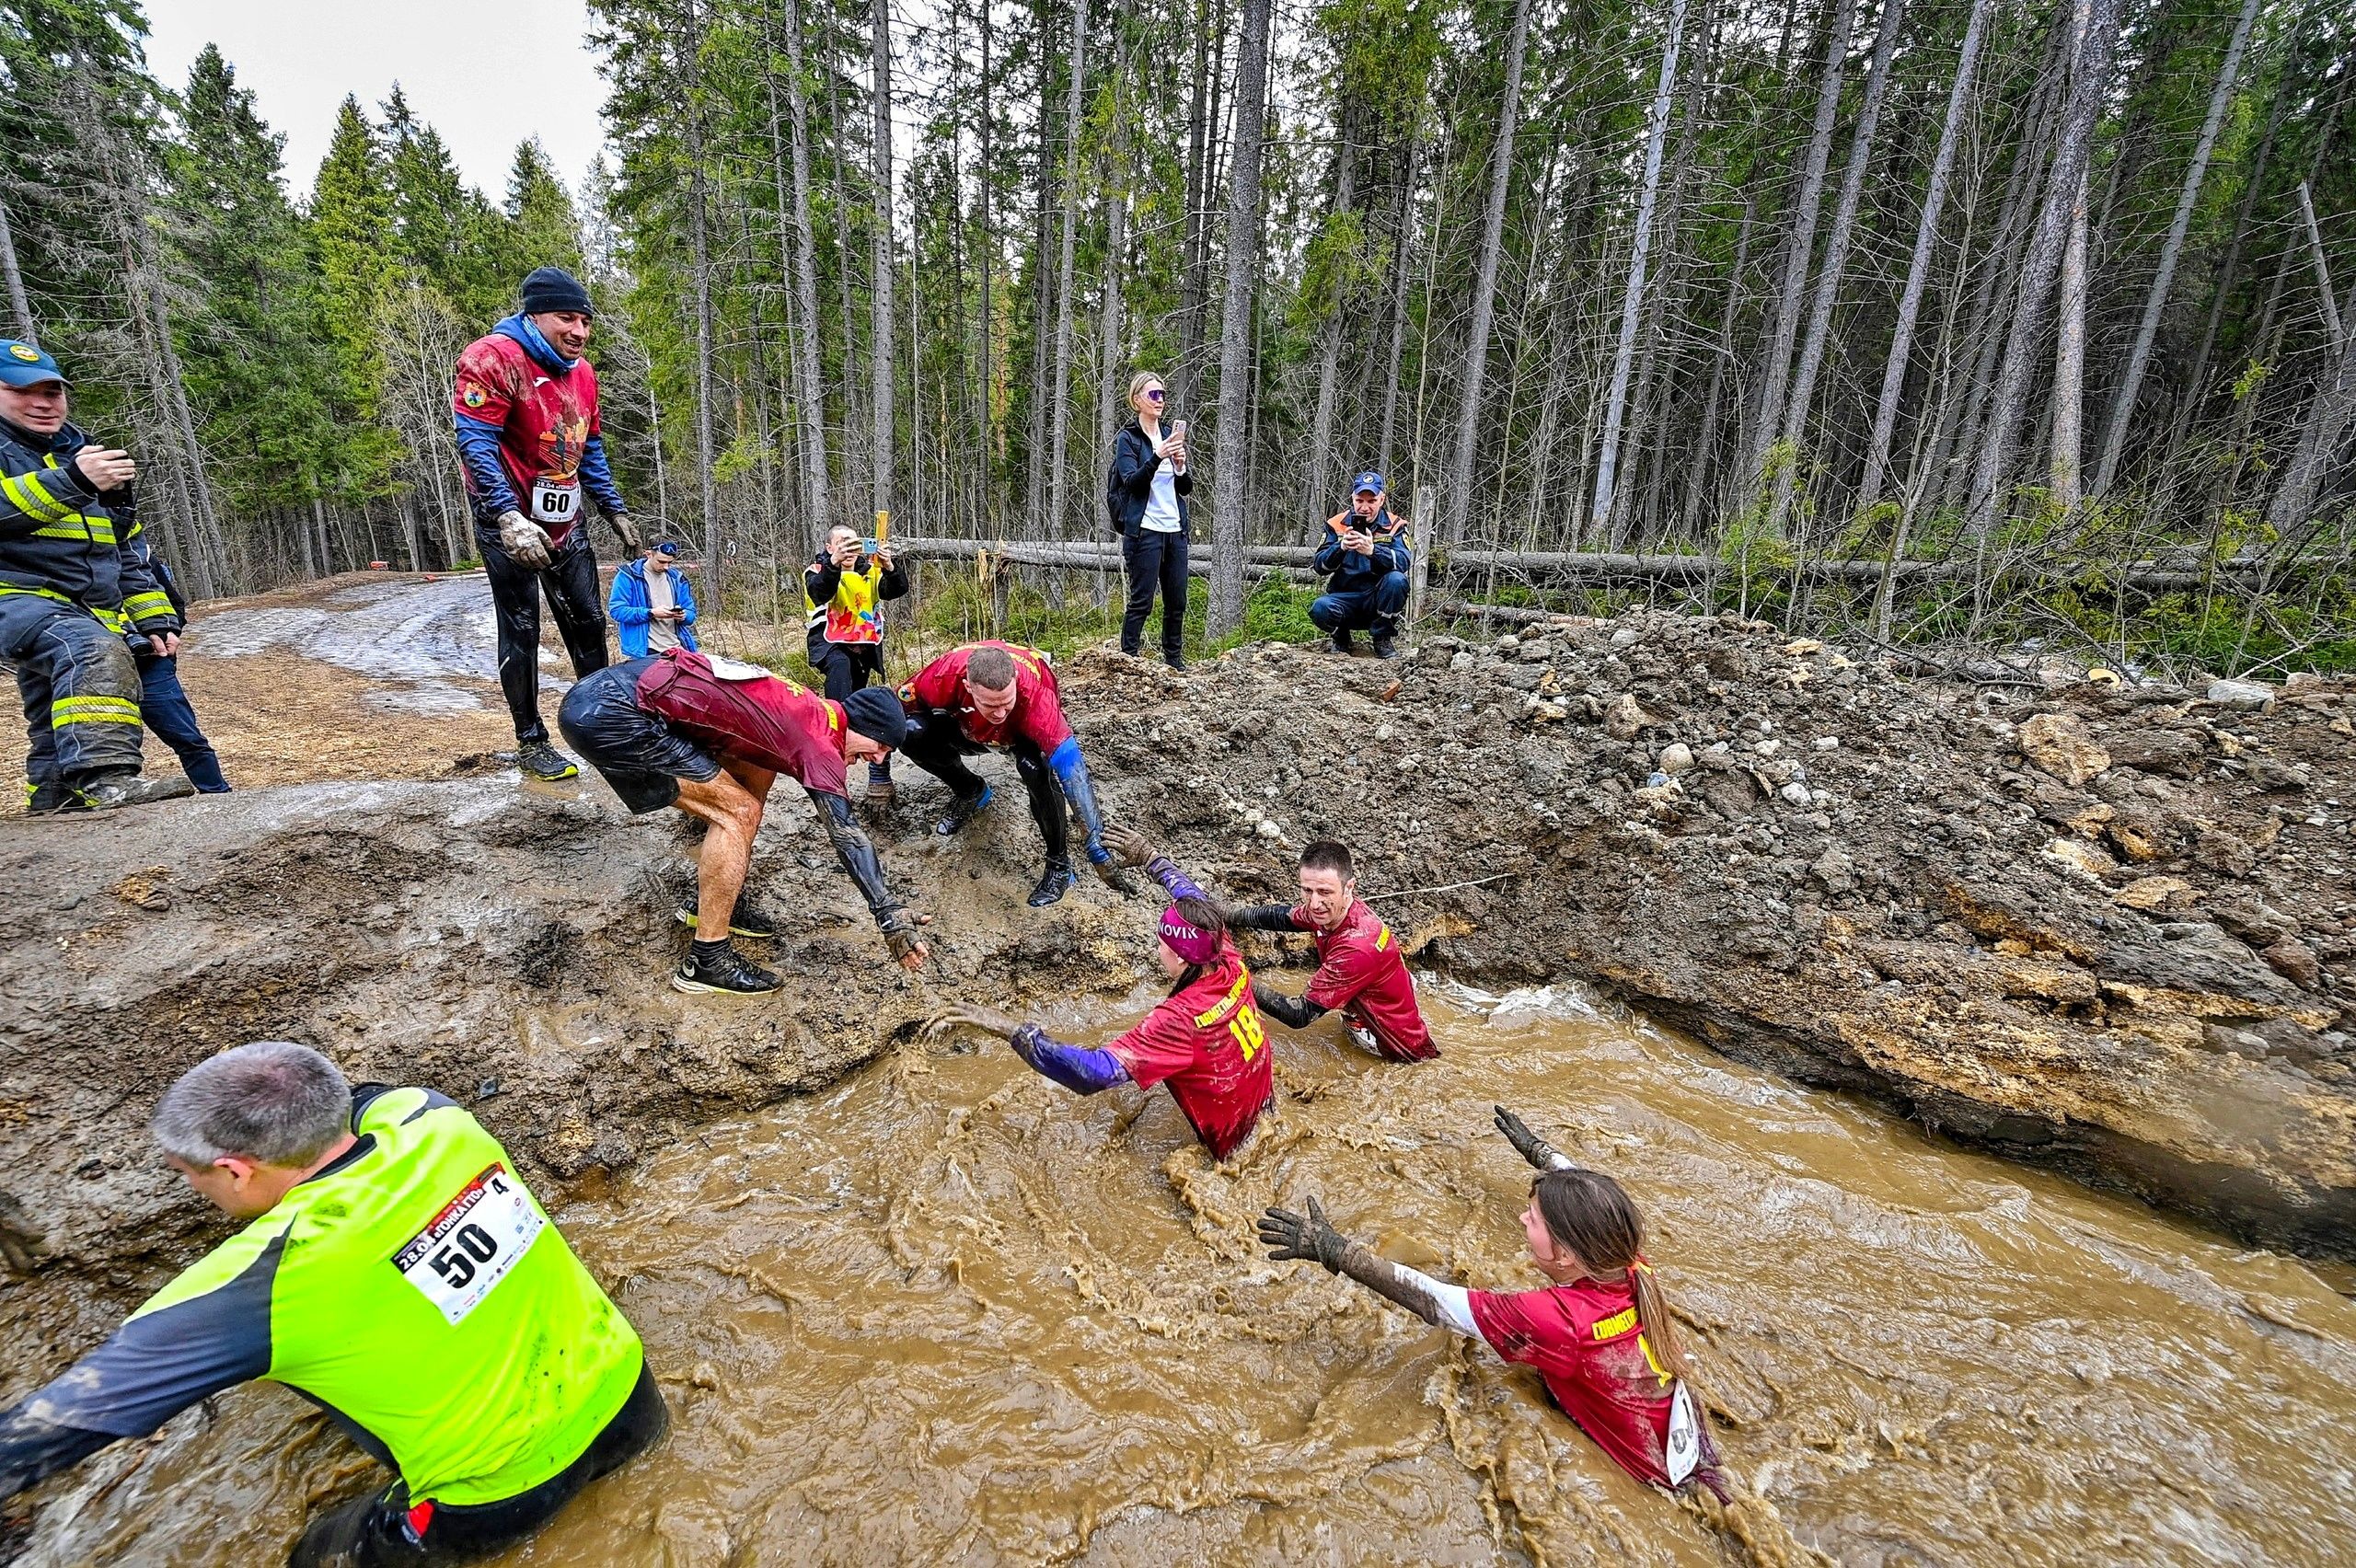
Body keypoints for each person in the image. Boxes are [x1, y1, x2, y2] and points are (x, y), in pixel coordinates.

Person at [0, 1042, 664, 1566]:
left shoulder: (254, 1283)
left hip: (495, 1496)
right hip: (631, 1397)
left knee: (319, 1555)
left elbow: (56, 1425)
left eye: (190, 1174)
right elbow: (367, 1100)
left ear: (235, 1169)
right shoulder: (435, 1119)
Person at [1259, 1106, 1723, 1497]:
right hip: (1688, 1443)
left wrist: (1339, 1252)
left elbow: (1435, 1302)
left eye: (1535, 1219)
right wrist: (1542, 1155)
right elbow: (1598, 1209)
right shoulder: (1627, 1260)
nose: (1523, 1220)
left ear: (1563, 1253)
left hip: (1655, 1476)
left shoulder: (1556, 1321)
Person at [559, 645, 930, 995]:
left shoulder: (810, 709)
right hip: (613, 712)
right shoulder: (818, 742)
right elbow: (846, 834)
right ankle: (708, 961)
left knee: (750, 784)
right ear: (861, 726)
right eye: (880, 747)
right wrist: (888, 912)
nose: (879, 760)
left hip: (607, 694)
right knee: (738, 812)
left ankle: (708, 904)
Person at [925, 847, 1273, 1159]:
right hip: (1262, 1107)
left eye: (1161, 944)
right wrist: (1153, 861)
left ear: (1181, 959)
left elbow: (1094, 1074)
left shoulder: (1177, 1020)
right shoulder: (1227, 958)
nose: (1158, 951)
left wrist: (1013, 1030)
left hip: (1232, 1144)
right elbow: (1196, 900)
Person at [453, 266, 638, 781]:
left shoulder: (583, 373)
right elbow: (476, 443)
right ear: (534, 315)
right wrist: (507, 516)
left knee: (588, 622)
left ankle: (607, 728)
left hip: (564, 515)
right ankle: (531, 740)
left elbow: (589, 444)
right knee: (523, 627)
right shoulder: (492, 357)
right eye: (566, 318)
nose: (579, 331)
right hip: (506, 517)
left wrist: (613, 508)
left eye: (585, 320)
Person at [0, 338, 191, 813]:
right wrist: (74, 482)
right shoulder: (79, 468)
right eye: (22, 391)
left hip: (79, 606)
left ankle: (57, 801)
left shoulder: (82, 453)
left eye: (53, 391)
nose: (43, 402)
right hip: (15, 597)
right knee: (91, 650)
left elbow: (124, 547)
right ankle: (107, 779)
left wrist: (154, 616)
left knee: (56, 711)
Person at [899, 640, 1126, 906]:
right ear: (968, 686)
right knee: (911, 732)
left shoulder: (1037, 698)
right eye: (990, 705)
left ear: (1016, 682)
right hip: (967, 725)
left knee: (1037, 769)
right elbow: (889, 714)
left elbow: (1073, 772)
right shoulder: (942, 676)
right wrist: (879, 774)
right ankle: (970, 791)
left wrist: (1095, 845)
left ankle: (1059, 865)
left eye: (1006, 702)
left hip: (1021, 734)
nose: (999, 713)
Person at [1208, 836, 1432, 1062]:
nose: (1314, 903)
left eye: (1324, 892)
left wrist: (1233, 976)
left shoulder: (1357, 947)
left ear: (1349, 887)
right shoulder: (1333, 911)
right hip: (1367, 1016)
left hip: (1397, 1051)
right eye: (1307, 891)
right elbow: (1284, 918)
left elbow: (1299, 1014)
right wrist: (1227, 913)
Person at [126, 505, 229, 792]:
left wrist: (168, 630)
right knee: (104, 746)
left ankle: (219, 798)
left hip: (150, 661)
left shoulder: (134, 550)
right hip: (92, 663)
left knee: (188, 738)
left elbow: (173, 601)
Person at [803, 523, 908, 801]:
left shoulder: (870, 571)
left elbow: (897, 589)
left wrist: (890, 566)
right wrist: (835, 565)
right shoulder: (817, 572)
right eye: (842, 544)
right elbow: (819, 593)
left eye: (853, 543)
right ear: (829, 547)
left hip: (863, 647)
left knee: (863, 698)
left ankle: (872, 760)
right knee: (840, 678)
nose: (849, 549)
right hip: (831, 644)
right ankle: (837, 733)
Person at [1104, 370, 1191, 669]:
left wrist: (1179, 465)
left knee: (1176, 601)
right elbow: (1132, 482)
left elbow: (1186, 487)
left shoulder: (1170, 434)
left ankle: (1174, 662)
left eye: (1163, 394)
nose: (1160, 400)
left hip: (1175, 531)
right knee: (1142, 601)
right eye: (1154, 394)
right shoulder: (1128, 439)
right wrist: (1157, 456)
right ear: (1137, 398)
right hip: (1144, 531)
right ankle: (1128, 660)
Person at [1309, 472, 1413, 659]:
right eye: (1359, 501)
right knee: (1319, 607)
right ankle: (1340, 637)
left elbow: (1404, 562)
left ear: (1382, 500)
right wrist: (1340, 548)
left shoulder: (1395, 525)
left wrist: (1373, 551)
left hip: (1377, 598)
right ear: (1353, 498)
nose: (1365, 508)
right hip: (1344, 598)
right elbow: (1319, 567)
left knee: (1397, 580)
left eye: (1371, 501)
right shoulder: (1336, 524)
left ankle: (1382, 639)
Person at [609, 537, 699, 658]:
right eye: (661, 562)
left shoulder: (677, 579)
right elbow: (617, 611)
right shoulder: (628, 576)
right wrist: (651, 613)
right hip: (645, 651)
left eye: (670, 563)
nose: (666, 567)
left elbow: (691, 613)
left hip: (678, 648)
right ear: (648, 554)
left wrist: (683, 616)